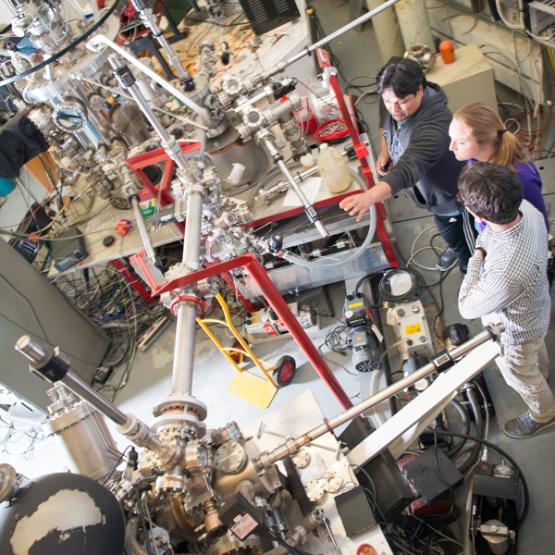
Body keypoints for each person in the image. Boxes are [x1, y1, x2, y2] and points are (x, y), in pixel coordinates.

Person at [339, 57, 474, 271]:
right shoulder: (394, 93)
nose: (395, 109)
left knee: (462, 239)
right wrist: (385, 152)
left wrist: (369, 197)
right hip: (429, 194)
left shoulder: (435, 126)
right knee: (451, 235)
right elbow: (386, 123)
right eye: (387, 101)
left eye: (401, 101)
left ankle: (468, 265)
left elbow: (408, 168)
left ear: (420, 90)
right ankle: (457, 246)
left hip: (451, 202)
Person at [457, 161, 555, 439]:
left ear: (474, 212)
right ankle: (541, 376)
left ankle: (544, 414)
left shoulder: (504, 275)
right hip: (537, 309)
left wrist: (477, 256)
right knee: (536, 352)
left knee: (521, 375)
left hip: (514, 333)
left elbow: (466, 306)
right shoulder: (528, 209)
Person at [448, 102, 548, 230]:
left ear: (486, 142)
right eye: (451, 138)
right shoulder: (474, 159)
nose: (451, 147)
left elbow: (540, 226)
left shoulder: (523, 180)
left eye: (461, 142)